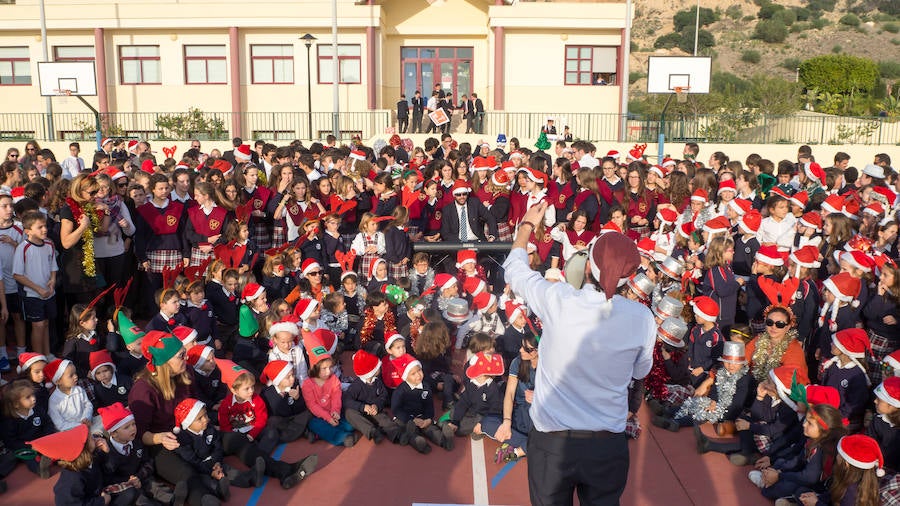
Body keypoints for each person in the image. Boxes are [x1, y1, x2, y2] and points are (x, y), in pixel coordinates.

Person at [503, 201, 656, 505]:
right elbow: (640, 372)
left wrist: (527, 226)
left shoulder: (559, 299)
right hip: (607, 445)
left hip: (553, 444)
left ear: (588, 267)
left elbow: (514, 269)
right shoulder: (642, 319)